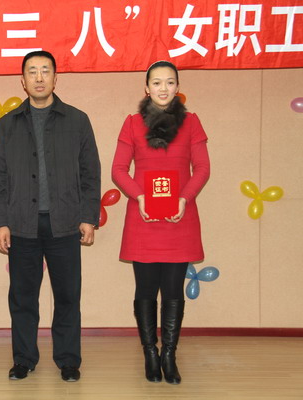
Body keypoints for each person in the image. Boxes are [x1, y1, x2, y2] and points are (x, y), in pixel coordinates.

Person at [0, 51, 101, 382]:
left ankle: (68, 359)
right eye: (32, 72)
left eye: (45, 71)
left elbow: (90, 173)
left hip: (65, 222)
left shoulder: (77, 120)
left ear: (55, 78)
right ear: (22, 81)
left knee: (67, 295)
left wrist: (88, 216)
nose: (39, 77)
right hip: (21, 223)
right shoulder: (7, 124)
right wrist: (1, 222)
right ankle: (23, 358)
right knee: (23, 298)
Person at [111, 61, 210, 384]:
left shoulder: (192, 123)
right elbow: (118, 170)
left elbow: (202, 168)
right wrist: (139, 197)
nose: (163, 88)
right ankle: (150, 354)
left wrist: (184, 198)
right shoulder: (132, 123)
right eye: (156, 83)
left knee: (172, 290)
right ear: (147, 88)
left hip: (180, 217)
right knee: (145, 289)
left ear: (177, 87)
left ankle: (169, 353)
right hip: (143, 218)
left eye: (169, 82)